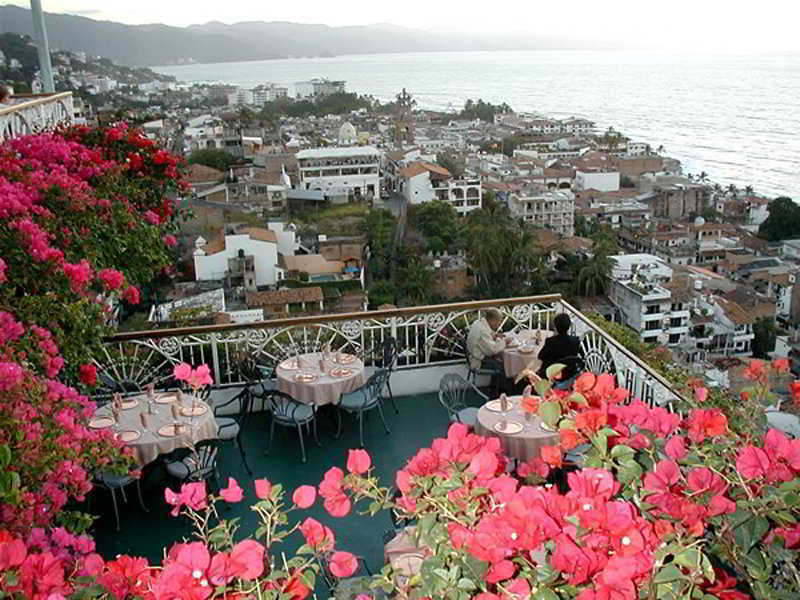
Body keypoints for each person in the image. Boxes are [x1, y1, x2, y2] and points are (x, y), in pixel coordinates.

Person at [466, 308, 507, 392]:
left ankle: (494, 387)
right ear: (492, 320)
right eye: (499, 322)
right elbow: (492, 350)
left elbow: (488, 336)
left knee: (501, 360)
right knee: (506, 366)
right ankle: (500, 393)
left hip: (476, 356)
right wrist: (504, 341)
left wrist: (495, 336)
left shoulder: (478, 323)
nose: (499, 325)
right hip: (478, 362)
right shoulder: (482, 331)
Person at [537, 313, 583, 388]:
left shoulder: (551, 341)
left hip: (553, 375)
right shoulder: (575, 341)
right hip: (568, 374)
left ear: (555, 327)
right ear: (568, 326)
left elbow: (540, 356)